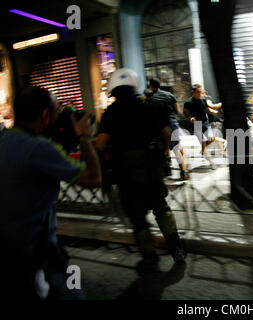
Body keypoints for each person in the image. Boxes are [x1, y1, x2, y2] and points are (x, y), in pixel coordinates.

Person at [0, 86, 102, 300]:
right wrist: (83, 136)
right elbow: (93, 178)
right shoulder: (40, 148)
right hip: (36, 254)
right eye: (57, 111)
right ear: (46, 116)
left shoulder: (4, 139)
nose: (59, 118)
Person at [95, 68, 186, 268]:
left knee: (137, 216)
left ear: (113, 90)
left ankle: (149, 257)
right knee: (161, 208)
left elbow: (100, 144)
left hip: (126, 172)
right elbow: (167, 134)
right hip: (151, 167)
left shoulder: (110, 114)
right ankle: (176, 249)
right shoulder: (148, 108)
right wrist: (163, 155)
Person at [147, 78, 189, 180]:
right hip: (172, 123)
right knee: (177, 147)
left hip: (161, 126)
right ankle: (183, 171)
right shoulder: (169, 95)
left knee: (166, 147)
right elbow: (177, 110)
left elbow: (149, 115)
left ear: (151, 86)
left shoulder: (150, 98)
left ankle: (168, 166)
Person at [183, 84, 227, 169]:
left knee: (211, 138)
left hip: (205, 123)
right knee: (203, 143)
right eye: (198, 92)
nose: (200, 93)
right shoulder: (188, 102)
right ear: (193, 92)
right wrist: (190, 118)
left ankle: (203, 151)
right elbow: (184, 112)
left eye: (200, 92)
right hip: (197, 124)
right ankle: (211, 162)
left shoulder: (203, 100)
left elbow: (209, 110)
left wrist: (219, 113)